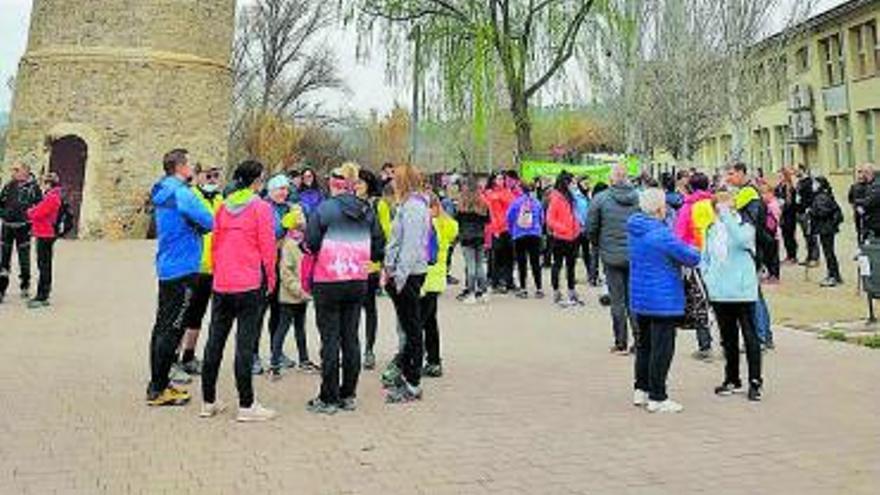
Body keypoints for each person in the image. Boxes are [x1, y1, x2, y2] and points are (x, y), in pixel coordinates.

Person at [200, 160, 277, 421]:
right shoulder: (261, 208)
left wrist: (216, 270)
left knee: (215, 341)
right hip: (249, 283)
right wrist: (272, 278)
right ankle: (246, 405)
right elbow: (268, 248)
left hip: (222, 282)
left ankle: (208, 401)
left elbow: (215, 243)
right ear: (256, 181)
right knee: (244, 344)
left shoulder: (222, 207)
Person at [305, 163, 384, 414]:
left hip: (328, 280)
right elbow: (378, 245)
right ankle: (348, 394)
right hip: (357, 280)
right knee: (351, 337)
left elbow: (311, 242)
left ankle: (328, 398)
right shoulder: (367, 210)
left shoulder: (325, 209)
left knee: (330, 339)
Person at [146, 149, 214, 407]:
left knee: (161, 326)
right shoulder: (182, 193)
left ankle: (157, 382)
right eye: (189, 164)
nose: (192, 168)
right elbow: (209, 220)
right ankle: (159, 388)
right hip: (184, 267)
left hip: (167, 264)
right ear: (180, 167)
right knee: (173, 328)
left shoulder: (161, 189)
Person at [628, 188, 701, 413]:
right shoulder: (661, 234)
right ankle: (658, 396)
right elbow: (690, 257)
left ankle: (641, 389)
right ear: (659, 208)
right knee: (662, 348)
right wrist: (697, 247)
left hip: (641, 297)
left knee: (645, 345)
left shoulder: (635, 228)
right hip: (663, 299)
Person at [701, 191, 764, 402]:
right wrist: (708, 279)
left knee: (750, 336)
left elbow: (741, 241)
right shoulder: (712, 229)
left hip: (742, 291)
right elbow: (706, 257)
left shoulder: (745, 226)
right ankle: (732, 378)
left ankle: (755, 381)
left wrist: (728, 216)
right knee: (728, 338)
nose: (722, 210)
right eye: (718, 207)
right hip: (720, 292)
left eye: (727, 206)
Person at [383, 164, 431, 404]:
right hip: (404, 273)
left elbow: (410, 246)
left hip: (409, 274)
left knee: (412, 329)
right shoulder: (409, 205)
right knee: (409, 326)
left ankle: (413, 382)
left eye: (395, 179)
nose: (392, 183)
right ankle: (408, 375)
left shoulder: (412, 207)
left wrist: (398, 276)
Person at [176, 165, 224, 379]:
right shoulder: (190, 197)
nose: (213, 179)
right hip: (192, 265)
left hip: (213, 266)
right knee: (182, 313)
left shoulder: (221, 200)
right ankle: (172, 357)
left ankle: (188, 356)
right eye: (208, 175)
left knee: (198, 314)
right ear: (197, 176)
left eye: (216, 175)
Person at [588, 164, 640, 354]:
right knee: (633, 300)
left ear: (611, 179)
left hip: (610, 256)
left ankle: (620, 341)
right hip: (634, 255)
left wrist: (599, 244)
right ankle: (639, 340)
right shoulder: (638, 198)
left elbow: (590, 228)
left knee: (617, 300)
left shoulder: (600, 199)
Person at [726, 162, 774, 350]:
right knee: (755, 294)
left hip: (750, 250)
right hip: (753, 249)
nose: (728, 178)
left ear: (741, 173)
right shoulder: (748, 192)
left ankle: (760, 337)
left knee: (752, 295)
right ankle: (765, 335)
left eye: (731, 174)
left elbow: (743, 221)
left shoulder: (748, 193)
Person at [270, 205, 318, 379]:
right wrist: (299, 290)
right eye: (299, 226)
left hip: (302, 296)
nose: (303, 228)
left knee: (300, 328)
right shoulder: (289, 245)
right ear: (292, 227)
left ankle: (304, 360)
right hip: (290, 296)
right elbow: (286, 273)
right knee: (282, 329)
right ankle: (274, 363)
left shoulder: (303, 244)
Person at [254, 174, 293, 375]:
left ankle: (276, 351)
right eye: (279, 189)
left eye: (286, 189)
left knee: (279, 310)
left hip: (282, 265)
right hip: (264, 266)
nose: (283, 193)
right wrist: (287, 227)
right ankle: (253, 355)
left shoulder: (289, 207)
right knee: (259, 311)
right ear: (270, 191)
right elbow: (273, 234)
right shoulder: (263, 207)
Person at [673, 172, 715, 360]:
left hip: (696, 259)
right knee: (719, 300)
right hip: (718, 259)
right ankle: (727, 341)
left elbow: (679, 236)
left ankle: (705, 345)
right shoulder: (715, 205)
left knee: (700, 302)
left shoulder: (688, 207)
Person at [421, 192, 459, 378]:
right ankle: (434, 360)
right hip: (436, 280)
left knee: (418, 323)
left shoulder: (432, 225)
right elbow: (453, 231)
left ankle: (414, 359)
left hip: (426, 279)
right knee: (430, 322)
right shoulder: (446, 224)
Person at [0, 162, 42, 303]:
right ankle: (1, 289)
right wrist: (4, 214)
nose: (14, 171)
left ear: (25, 171)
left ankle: (25, 284)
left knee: (24, 258)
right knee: (4, 259)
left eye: (17, 169)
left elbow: (40, 206)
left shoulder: (34, 188)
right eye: (13, 169)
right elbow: (1, 202)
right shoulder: (8, 185)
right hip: (7, 227)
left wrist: (30, 219)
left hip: (24, 227)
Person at [356, 169, 383, 370]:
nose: (356, 186)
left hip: (369, 263)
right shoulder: (346, 203)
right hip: (350, 264)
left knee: (369, 308)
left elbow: (383, 233)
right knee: (352, 310)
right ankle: (353, 348)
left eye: (360, 183)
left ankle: (369, 350)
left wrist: (380, 261)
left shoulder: (376, 205)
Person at [25, 172, 63, 308]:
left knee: (44, 265)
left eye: (44, 183)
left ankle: (42, 296)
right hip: (46, 232)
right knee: (44, 265)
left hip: (45, 233)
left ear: (49, 184)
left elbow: (39, 212)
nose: (42, 186)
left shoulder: (52, 197)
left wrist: (30, 211)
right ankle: (43, 294)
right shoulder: (53, 196)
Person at [546, 172, 582, 307]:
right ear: (565, 183)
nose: (574, 185)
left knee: (571, 266)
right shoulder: (556, 198)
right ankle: (556, 290)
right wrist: (563, 228)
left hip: (573, 236)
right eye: (572, 182)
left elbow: (574, 214)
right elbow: (549, 219)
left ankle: (571, 290)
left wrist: (577, 227)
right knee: (558, 265)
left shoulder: (571, 197)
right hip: (560, 238)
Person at [506, 182, 544, 299]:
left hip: (519, 235)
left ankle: (523, 289)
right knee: (535, 262)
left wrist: (512, 231)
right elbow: (542, 218)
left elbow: (509, 217)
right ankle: (539, 288)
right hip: (534, 235)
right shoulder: (536, 203)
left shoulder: (515, 203)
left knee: (522, 263)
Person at [455, 180, 490, 303]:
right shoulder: (483, 205)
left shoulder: (462, 206)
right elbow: (487, 221)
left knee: (470, 266)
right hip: (479, 237)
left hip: (466, 238)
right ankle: (484, 292)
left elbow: (457, 221)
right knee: (480, 265)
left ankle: (471, 293)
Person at [483, 172, 516, 293]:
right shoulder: (490, 194)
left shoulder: (508, 192)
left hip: (509, 229)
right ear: (493, 180)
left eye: (503, 178)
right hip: (497, 229)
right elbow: (492, 213)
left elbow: (513, 209)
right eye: (499, 178)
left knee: (510, 257)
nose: (501, 180)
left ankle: (509, 281)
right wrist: (495, 229)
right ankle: (495, 281)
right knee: (496, 257)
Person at [811, 176, 844, 288]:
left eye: (815, 183)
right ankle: (834, 275)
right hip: (826, 228)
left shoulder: (822, 197)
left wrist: (812, 211)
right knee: (829, 252)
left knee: (829, 253)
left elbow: (823, 212)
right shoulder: (823, 195)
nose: (813, 185)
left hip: (826, 228)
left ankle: (834, 276)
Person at [573, 178, 598, 286]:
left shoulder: (589, 196)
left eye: (588, 183)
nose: (587, 184)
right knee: (574, 253)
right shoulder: (575, 196)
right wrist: (580, 223)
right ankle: (571, 276)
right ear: (579, 184)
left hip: (587, 230)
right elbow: (574, 212)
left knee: (587, 254)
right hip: (578, 229)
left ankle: (591, 275)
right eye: (585, 183)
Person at [795, 165, 820, 266]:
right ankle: (808, 256)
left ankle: (815, 257)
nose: (796, 172)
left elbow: (812, 197)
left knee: (811, 235)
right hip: (800, 212)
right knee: (806, 236)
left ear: (803, 170)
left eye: (798, 171)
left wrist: (809, 208)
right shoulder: (799, 182)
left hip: (807, 212)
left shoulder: (809, 182)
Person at [775, 166, 799, 264]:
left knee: (790, 236)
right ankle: (788, 255)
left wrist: (783, 205)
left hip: (789, 216)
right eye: (778, 176)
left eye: (781, 176)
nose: (779, 177)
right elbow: (775, 195)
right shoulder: (779, 187)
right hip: (782, 216)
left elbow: (791, 204)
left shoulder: (790, 188)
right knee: (785, 236)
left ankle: (793, 256)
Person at [761, 183, 782, 283]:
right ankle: (770, 273)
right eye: (761, 193)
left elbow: (774, 220)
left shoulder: (773, 205)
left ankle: (774, 275)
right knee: (768, 255)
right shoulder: (767, 204)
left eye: (765, 193)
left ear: (771, 193)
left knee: (774, 256)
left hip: (774, 234)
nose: (763, 196)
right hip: (768, 233)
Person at [849, 163, 874, 244]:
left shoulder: (869, 186)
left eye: (862, 173)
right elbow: (851, 199)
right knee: (859, 229)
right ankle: (860, 242)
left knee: (866, 228)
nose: (860, 176)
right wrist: (855, 208)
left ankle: (866, 241)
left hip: (867, 210)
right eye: (859, 173)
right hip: (857, 211)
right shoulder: (854, 186)